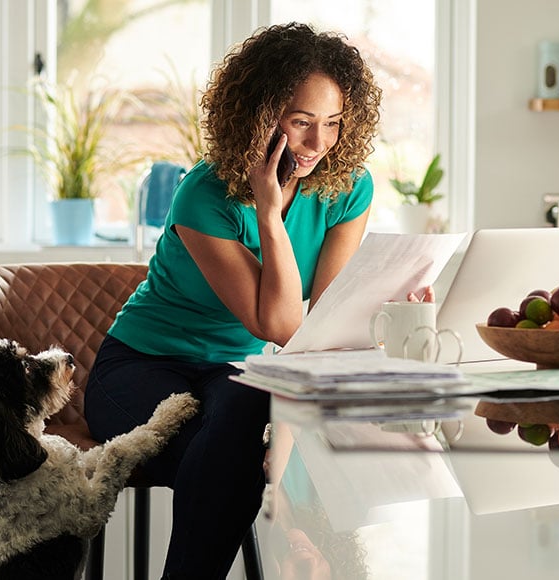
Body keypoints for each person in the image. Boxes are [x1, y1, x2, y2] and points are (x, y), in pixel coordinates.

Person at [85, 22, 386, 579]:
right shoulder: (204, 192)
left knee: (247, 419)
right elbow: (279, 323)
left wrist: (391, 306)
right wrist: (270, 216)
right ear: (259, 116)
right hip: (141, 368)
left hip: (234, 377)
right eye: (301, 123)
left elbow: (316, 329)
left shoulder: (350, 190)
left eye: (333, 124)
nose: (319, 143)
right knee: (239, 455)